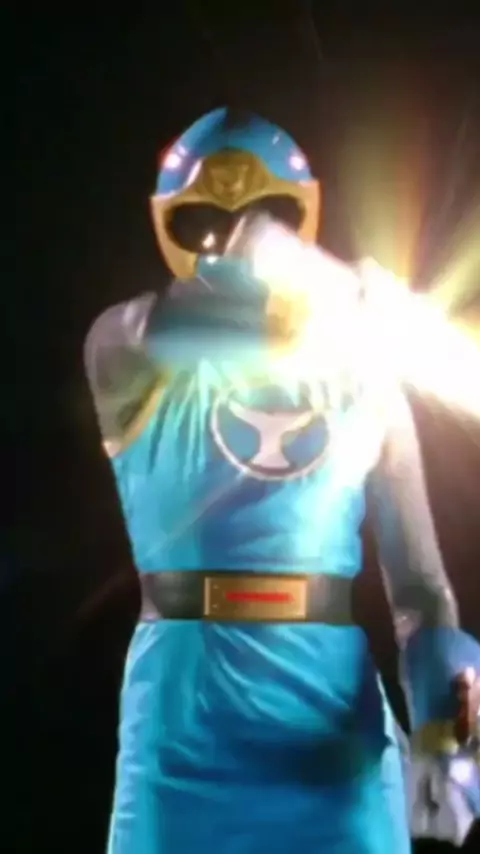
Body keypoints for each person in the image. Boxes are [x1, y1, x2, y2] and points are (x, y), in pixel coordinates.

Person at [85, 107, 480, 854]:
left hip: (332, 736)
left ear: (304, 213)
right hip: (182, 741)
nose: (234, 235)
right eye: (208, 221)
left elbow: (424, 593)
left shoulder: (365, 368)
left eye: (265, 212)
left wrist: (453, 738)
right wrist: (309, 276)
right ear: (170, 225)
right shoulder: (125, 344)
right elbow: (184, 326)